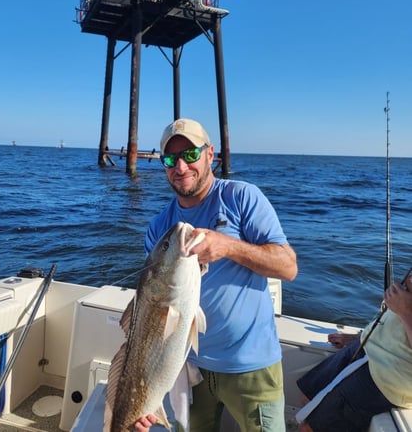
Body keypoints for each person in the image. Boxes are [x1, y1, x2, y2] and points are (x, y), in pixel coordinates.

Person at [135, 118, 298, 432]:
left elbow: (288, 267)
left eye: (191, 155)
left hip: (250, 366)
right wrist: (145, 392)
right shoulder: (159, 226)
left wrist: (229, 247)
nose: (181, 166)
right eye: (170, 159)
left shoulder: (241, 198)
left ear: (211, 154)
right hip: (187, 368)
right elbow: (150, 310)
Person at [296, 272, 412, 432]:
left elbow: (405, 310)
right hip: (366, 347)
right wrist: (357, 337)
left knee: (309, 429)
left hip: (387, 378)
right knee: (308, 398)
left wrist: (405, 310)